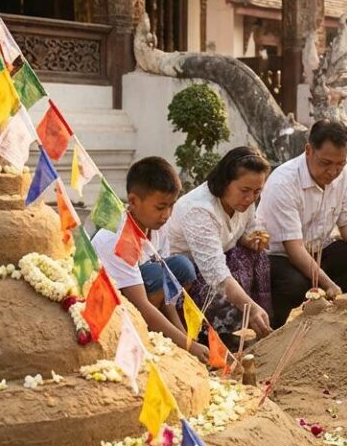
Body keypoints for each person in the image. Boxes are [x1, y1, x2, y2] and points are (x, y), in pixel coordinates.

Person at [257, 119, 347, 327]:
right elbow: (294, 249)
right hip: (279, 256)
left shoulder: (344, 175)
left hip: (319, 249)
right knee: (296, 284)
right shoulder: (284, 182)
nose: (333, 172)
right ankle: (271, 329)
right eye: (326, 163)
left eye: (340, 164)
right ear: (309, 150)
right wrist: (328, 284)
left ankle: (340, 320)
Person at [91, 157, 209, 362]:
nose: (167, 215)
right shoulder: (118, 240)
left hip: (145, 288)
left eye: (171, 206)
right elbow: (141, 303)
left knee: (181, 267)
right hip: (110, 306)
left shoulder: (157, 227)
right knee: (155, 273)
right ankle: (144, 336)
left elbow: (168, 287)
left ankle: (168, 337)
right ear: (134, 202)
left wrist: (184, 340)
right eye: (160, 207)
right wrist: (188, 346)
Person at [165, 147, 275, 340]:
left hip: (219, 261)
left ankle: (256, 326)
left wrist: (249, 238)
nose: (250, 199)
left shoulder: (243, 201)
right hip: (186, 275)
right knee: (222, 294)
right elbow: (215, 274)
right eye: (245, 191)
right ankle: (219, 339)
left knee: (258, 257)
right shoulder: (198, 210)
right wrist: (250, 307)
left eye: (257, 192)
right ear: (225, 183)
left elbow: (247, 226)